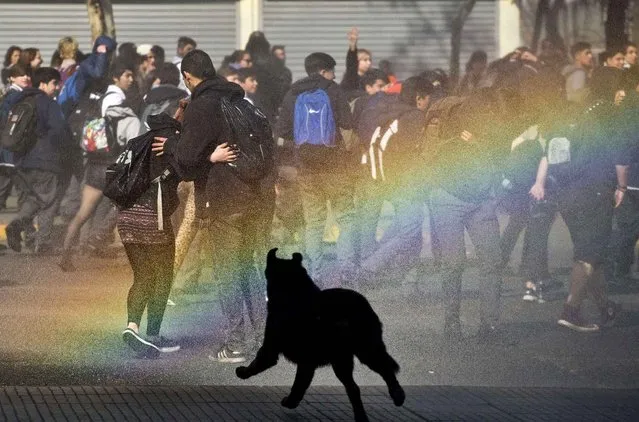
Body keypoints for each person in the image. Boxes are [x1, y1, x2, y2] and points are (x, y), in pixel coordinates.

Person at [162, 49, 269, 363]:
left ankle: (236, 344)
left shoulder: (202, 105)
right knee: (250, 270)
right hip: (258, 198)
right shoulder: (242, 102)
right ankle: (263, 339)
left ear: (188, 77)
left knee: (227, 272)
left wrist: (170, 144)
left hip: (225, 200)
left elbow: (185, 160)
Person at [532, 67, 629, 332]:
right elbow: (621, 152)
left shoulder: (568, 111)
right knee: (588, 254)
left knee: (591, 253)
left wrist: (542, 181)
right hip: (596, 190)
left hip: (566, 192)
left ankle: (605, 306)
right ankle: (571, 310)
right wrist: (621, 186)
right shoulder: (609, 112)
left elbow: (550, 151)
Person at [276, 52, 355, 288]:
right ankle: (348, 271)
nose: (333, 75)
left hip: (307, 168)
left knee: (314, 222)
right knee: (346, 217)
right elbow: (348, 125)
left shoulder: (293, 93)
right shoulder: (333, 90)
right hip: (336, 166)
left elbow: (282, 132)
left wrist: (301, 148)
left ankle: (314, 272)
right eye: (331, 71)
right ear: (324, 71)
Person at [59, 61, 140, 272]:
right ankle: (119, 252)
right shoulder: (118, 102)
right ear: (116, 78)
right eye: (127, 75)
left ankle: (66, 255)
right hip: (112, 164)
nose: (131, 79)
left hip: (95, 163)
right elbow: (129, 137)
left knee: (83, 212)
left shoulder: (99, 101)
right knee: (128, 207)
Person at [120, 113, 182, 358]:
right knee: (162, 277)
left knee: (142, 276)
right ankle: (154, 335)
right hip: (152, 218)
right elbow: (188, 167)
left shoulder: (138, 142)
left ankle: (132, 326)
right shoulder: (167, 146)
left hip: (125, 216)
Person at [4, 68, 72, 253]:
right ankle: (42, 242)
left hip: (23, 161)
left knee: (34, 199)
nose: (57, 88)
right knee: (50, 201)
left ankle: (17, 225)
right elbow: (59, 130)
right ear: (43, 84)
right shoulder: (48, 103)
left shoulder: (21, 99)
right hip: (46, 161)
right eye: (54, 83)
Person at [341, 27, 373, 99]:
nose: (369, 63)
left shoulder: (370, 77)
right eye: (365, 60)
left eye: (369, 60)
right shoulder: (350, 77)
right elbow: (351, 63)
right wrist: (352, 46)